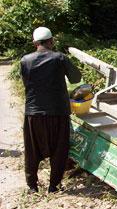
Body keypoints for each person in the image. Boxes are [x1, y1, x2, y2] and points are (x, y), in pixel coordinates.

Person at [20, 27, 82, 193]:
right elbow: (76, 78)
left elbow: (27, 83)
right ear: (51, 41)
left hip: (33, 114)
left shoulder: (25, 60)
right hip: (58, 113)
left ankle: (32, 186)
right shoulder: (60, 58)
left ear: (35, 43)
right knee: (59, 149)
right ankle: (53, 186)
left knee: (32, 150)